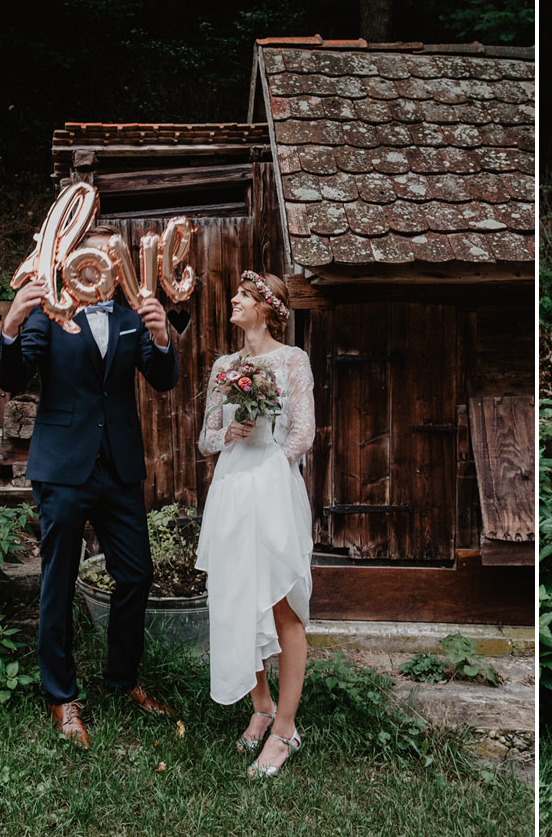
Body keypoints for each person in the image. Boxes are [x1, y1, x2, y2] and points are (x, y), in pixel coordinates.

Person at [0, 224, 180, 749]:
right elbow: (13, 377)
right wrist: (11, 322)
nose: (99, 260)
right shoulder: (48, 314)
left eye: (107, 252)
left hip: (119, 469)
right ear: (74, 258)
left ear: (117, 261)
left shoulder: (131, 316)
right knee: (58, 580)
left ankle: (122, 682)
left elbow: (162, 379)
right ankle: (61, 696)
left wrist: (163, 337)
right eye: (89, 251)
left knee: (137, 574)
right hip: (62, 470)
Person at [195, 270, 315, 779]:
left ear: (267, 307)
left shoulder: (292, 360)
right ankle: (261, 706)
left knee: (281, 604)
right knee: (238, 597)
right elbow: (205, 437)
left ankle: (286, 729)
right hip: (230, 489)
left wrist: (270, 469)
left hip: (272, 488)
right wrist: (230, 432)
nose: (234, 301)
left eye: (244, 296)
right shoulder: (224, 366)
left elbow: (304, 432)